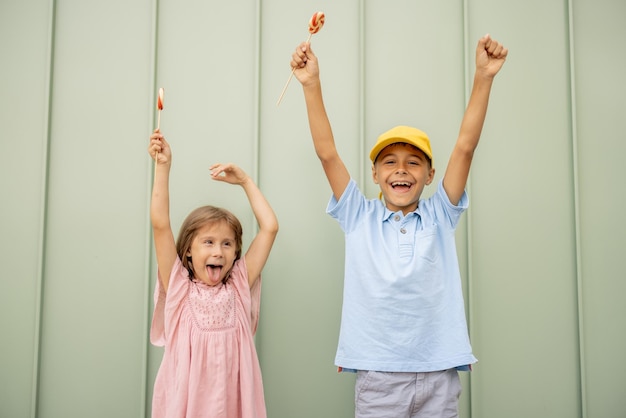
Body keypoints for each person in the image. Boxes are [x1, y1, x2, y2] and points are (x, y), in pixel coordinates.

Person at [290, 34, 508, 417]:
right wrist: (311, 84)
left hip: (438, 372)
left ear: (429, 175)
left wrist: (484, 77)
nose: (401, 170)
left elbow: (465, 147)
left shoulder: (440, 214)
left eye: (413, 162)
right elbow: (327, 153)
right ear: (374, 174)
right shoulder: (358, 215)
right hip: (379, 376)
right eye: (389, 162)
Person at [147, 129, 279, 418]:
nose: (218, 251)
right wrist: (163, 166)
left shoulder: (240, 284)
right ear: (189, 250)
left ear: (235, 253)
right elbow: (159, 224)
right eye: (208, 242)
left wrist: (245, 182)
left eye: (227, 244)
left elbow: (269, 227)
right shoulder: (179, 287)